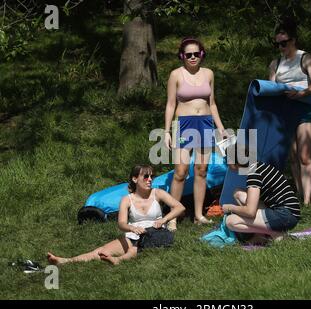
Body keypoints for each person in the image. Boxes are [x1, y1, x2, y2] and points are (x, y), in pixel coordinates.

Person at [47, 165, 185, 265]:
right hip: (134, 234)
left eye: (151, 176)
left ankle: (119, 260)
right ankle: (64, 260)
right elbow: (121, 224)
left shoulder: (158, 193)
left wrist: (164, 219)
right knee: (101, 251)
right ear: (135, 179)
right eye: (146, 176)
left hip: (156, 232)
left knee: (134, 249)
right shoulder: (127, 199)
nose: (150, 179)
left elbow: (179, 207)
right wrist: (132, 229)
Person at [164, 37, 227, 231]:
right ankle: (173, 217)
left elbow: (212, 103)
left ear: (202, 55)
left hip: (206, 123)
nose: (193, 57)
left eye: (196, 54)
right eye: (188, 54)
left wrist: (221, 127)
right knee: (180, 172)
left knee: (201, 170)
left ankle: (198, 215)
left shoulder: (209, 73)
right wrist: (167, 131)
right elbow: (170, 104)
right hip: (184, 124)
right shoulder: (176, 75)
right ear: (182, 56)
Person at [269, 18, 311, 205]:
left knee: (304, 155)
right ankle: (299, 194)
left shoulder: (306, 58)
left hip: (305, 109)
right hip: (284, 111)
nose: (281, 47)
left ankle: (307, 200)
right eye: (277, 44)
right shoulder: (275, 64)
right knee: (291, 156)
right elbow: (271, 87)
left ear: (293, 40)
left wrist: (300, 93)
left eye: (284, 43)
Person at [222, 144, 300, 241]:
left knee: (230, 221)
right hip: (289, 213)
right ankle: (262, 234)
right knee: (238, 193)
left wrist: (230, 208)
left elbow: (250, 212)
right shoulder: (258, 166)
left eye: (227, 160)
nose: (227, 164)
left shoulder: (254, 174)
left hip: (286, 216)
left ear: (235, 162)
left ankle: (276, 234)